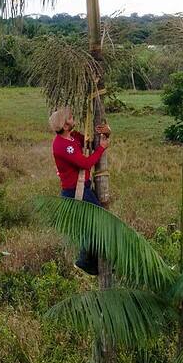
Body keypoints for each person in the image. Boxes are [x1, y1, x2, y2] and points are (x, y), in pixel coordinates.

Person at [49, 106, 111, 275]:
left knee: (94, 225)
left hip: (83, 188)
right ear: (65, 124)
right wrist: (102, 148)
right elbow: (84, 163)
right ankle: (85, 260)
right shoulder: (62, 145)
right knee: (99, 222)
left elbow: (91, 144)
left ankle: (90, 261)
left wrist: (106, 133)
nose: (73, 117)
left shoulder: (72, 137)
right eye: (70, 117)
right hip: (75, 191)